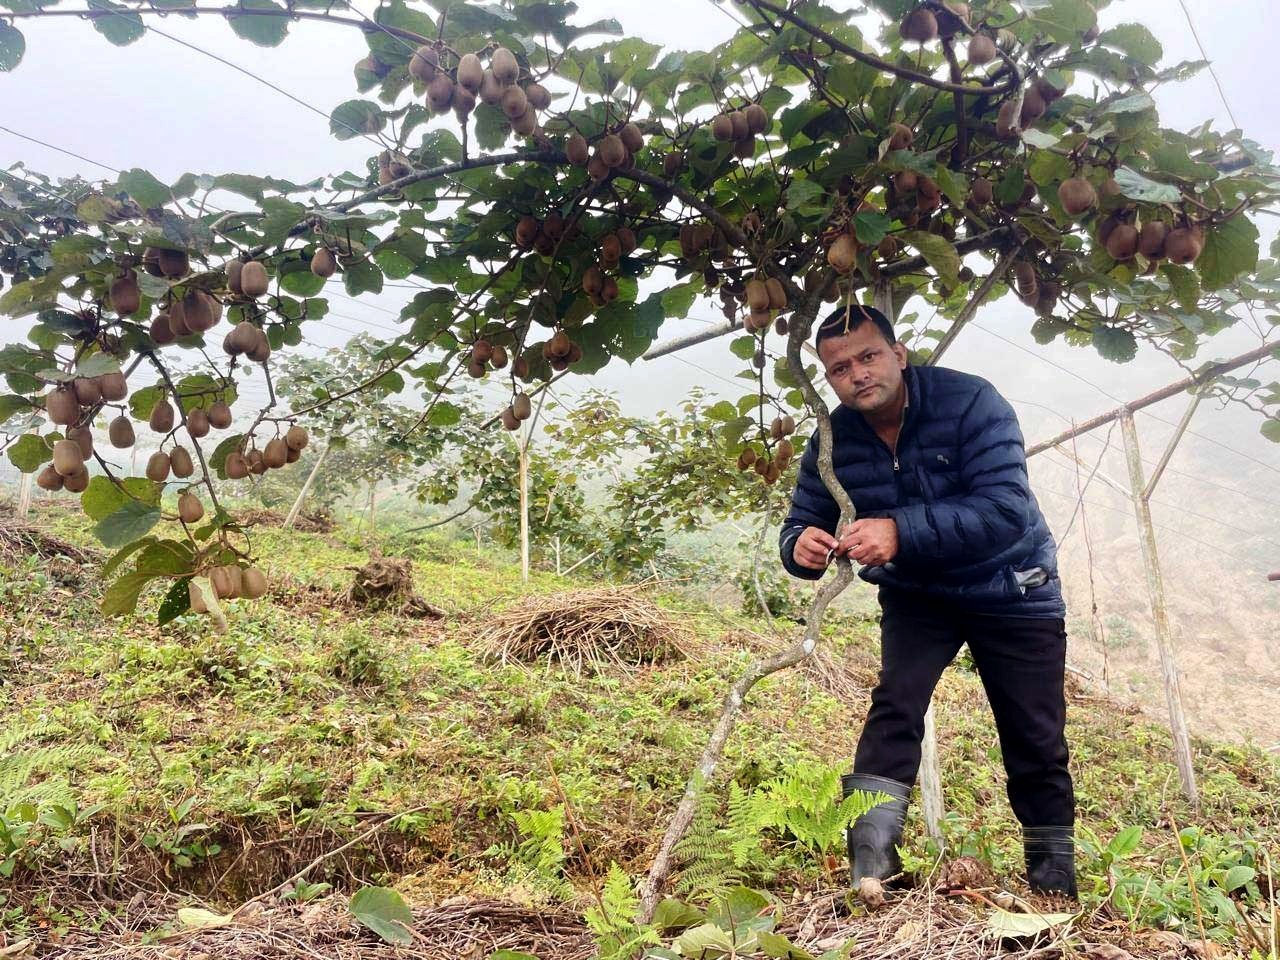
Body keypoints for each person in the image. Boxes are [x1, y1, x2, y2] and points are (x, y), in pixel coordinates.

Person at [778, 303, 1076, 897]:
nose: (858, 373)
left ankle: (1054, 882)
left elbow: (1003, 508)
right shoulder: (832, 439)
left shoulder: (971, 403)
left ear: (899, 354)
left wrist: (899, 531)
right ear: (828, 379)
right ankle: (873, 867)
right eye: (840, 368)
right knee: (895, 706)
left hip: (1012, 585)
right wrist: (800, 548)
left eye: (868, 356)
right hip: (919, 594)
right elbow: (804, 516)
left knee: (1034, 734)